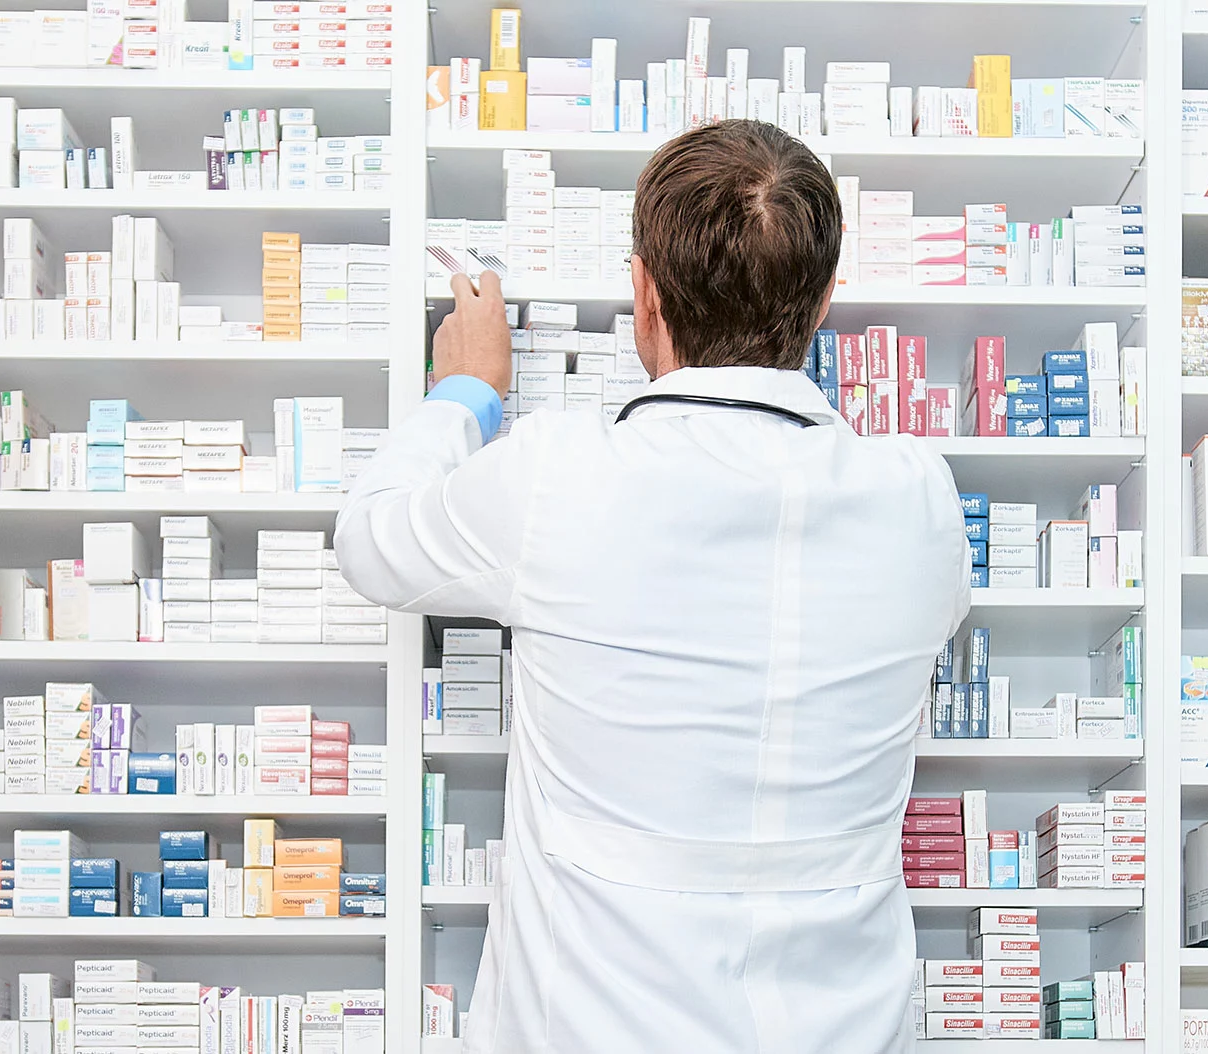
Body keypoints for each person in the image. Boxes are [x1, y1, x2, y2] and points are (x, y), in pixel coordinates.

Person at [334, 119, 972, 1053]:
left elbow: (370, 540)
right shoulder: (923, 500)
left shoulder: (558, 477)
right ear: (827, 298)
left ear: (642, 291)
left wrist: (464, 390)